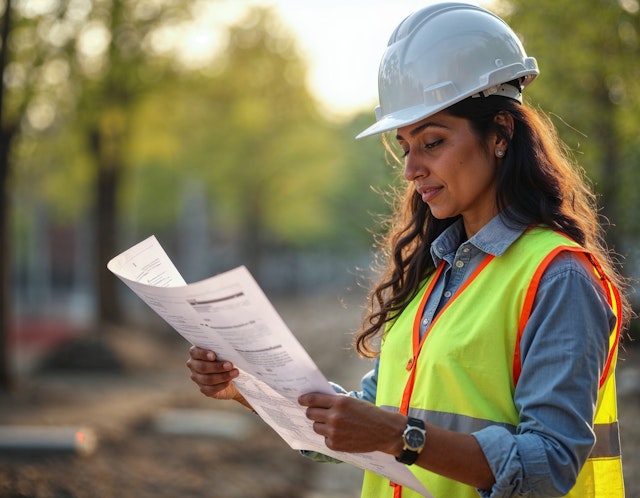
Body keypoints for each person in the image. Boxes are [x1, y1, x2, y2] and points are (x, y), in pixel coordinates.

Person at [186, 2, 631, 497]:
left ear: (501, 134)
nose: (410, 169)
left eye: (432, 142)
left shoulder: (558, 277)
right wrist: (248, 386)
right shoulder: (436, 275)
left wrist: (401, 437)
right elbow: (363, 422)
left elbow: (548, 466)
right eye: (405, 147)